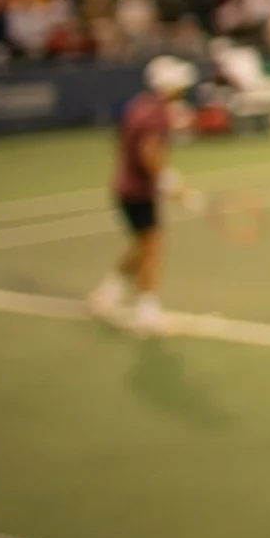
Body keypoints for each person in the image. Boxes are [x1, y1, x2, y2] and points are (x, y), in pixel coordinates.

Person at [88, 55, 198, 334]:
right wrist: (168, 181)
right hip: (138, 191)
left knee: (140, 244)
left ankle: (106, 295)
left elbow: (124, 141)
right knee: (152, 247)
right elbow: (149, 151)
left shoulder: (138, 105)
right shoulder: (159, 112)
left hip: (124, 187)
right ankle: (147, 314)